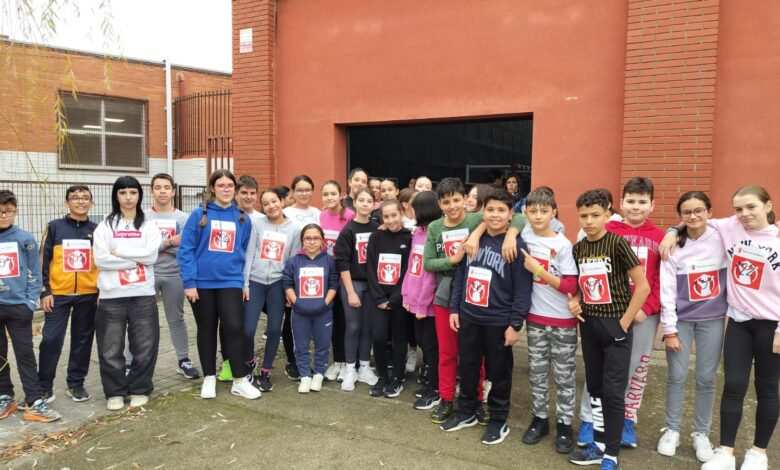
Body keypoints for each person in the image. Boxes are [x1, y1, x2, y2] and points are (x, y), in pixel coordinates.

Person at [660, 185, 780, 470]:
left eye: (751, 207)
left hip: (771, 326)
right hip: (739, 322)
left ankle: (757, 453)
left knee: (767, 389)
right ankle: (725, 451)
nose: (744, 214)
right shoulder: (730, 227)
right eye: (739, 209)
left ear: (768, 205)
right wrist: (671, 230)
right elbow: (692, 219)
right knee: (734, 385)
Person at [424, 177, 524, 425]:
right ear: (439, 204)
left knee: (476, 356)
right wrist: (454, 259)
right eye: (446, 202)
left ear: (467, 201)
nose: (452, 206)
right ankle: (448, 399)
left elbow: (517, 217)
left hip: (481, 300)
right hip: (449, 295)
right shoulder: (435, 227)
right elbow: (428, 262)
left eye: (457, 200)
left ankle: (477, 402)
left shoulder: (476, 219)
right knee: (450, 353)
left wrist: (510, 234)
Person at [577, 177, 664, 449]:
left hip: (642, 315)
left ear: (652, 205)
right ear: (620, 203)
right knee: (596, 369)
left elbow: (661, 279)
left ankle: (625, 419)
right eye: (631, 201)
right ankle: (590, 420)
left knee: (634, 369)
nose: (636, 207)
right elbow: (583, 271)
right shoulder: (603, 229)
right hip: (604, 313)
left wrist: (645, 308)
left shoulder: (660, 237)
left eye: (642, 202)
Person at [441, 190, 532, 445]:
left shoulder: (515, 245)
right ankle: (466, 411)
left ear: (510, 214)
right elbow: (461, 276)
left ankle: (497, 419)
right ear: (483, 212)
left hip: (498, 321)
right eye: (490, 209)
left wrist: (516, 323)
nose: (495, 215)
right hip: (469, 316)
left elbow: (523, 289)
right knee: (467, 366)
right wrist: (455, 308)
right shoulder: (473, 240)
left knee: (499, 372)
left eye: (501, 210)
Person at [567, 189, 649, 470]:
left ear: (607, 215)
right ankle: (599, 443)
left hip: (616, 326)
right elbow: (578, 286)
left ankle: (612, 454)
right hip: (589, 326)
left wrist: (624, 322)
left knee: (614, 392)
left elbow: (643, 286)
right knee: (596, 388)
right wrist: (576, 301)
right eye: (584, 216)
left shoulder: (617, 244)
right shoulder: (578, 249)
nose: (589, 221)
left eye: (595, 215)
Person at [178, 169, 261, 400]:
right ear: (212, 188)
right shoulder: (198, 215)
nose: (226, 189)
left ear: (234, 189)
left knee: (234, 327)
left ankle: (239, 379)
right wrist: (189, 282)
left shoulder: (243, 218)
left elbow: (245, 253)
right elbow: (186, 250)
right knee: (206, 329)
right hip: (202, 283)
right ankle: (209, 377)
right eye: (221, 185)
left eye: (230, 185)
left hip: (231, 281)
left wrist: (244, 283)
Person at [655, 192, 725, 462]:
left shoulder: (721, 234)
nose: (693, 216)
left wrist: (673, 229)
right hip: (681, 321)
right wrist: (669, 329)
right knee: (677, 376)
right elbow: (668, 290)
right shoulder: (673, 247)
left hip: (712, 319)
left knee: (706, 378)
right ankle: (672, 429)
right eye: (687, 212)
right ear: (680, 215)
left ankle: (701, 433)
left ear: (709, 211)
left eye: (699, 210)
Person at [93, 176, 162, 411]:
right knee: (110, 347)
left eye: (133, 192)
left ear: (139, 195)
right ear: (116, 196)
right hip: (112, 295)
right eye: (123, 193)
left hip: (142, 293)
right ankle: (115, 391)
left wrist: (120, 251)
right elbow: (101, 259)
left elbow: (152, 256)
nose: (128, 197)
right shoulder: (105, 225)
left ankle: (140, 388)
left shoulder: (149, 225)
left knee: (144, 344)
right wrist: (135, 259)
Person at [518, 189, 579, 454]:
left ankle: (565, 425)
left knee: (564, 377)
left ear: (554, 212)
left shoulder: (563, 245)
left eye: (544, 211)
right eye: (533, 211)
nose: (538, 215)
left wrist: (539, 270)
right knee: (538, 373)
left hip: (562, 319)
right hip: (535, 318)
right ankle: (540, 419)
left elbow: (570, 284)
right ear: (526, 213)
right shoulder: (524, 235)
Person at [0, 190, 61, 422]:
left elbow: (35, 273)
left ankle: (34, 401)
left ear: (15, 211)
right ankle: (4, 396)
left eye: (8, 211)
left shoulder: (24, 238)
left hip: (18, 307)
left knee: (25, 353)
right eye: (0, 211)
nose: (4, 215)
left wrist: (28, 302)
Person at [38, 185, 99, 403]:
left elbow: (101, 262)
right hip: (58, 295)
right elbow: (42, 261)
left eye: (85, 198)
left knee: (82, 340)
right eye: (75, 198)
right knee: (51, 339)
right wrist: (45, 290)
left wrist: (100, 289)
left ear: (91, 203)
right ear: (67, 203)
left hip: (89, 294)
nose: (80, 201)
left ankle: (76, 383)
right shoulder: (54, 227)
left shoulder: (97, 229)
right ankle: (44, 386)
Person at [243, 188, 302, 392]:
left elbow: (293, 260)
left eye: (274, 201)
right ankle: (250, 361)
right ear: (263, 207)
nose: (271, 206)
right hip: (256, 281)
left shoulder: (294, 228)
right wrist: (245, 283)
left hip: (277, 284)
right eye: (266, 203)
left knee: (276, 329)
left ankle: (266, 372)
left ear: (282, 202)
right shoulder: (257, 223)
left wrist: (289, 288)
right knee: (248, 328)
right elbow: (250, 252)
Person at [147, 173, 200, 380]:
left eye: (166, 187)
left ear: (173, 191)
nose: (162, 191)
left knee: (176, 318)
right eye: (158, 187)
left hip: (175, 275)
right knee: (142, 320)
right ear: (152, 191)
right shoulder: (144, 217)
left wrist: (158, 247)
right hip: (148, 274)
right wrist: (168, 243)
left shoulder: (183, 218)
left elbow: (187, 249)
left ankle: (183, 360)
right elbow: (144, 250)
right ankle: (133, 360)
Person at [333, 189, 380, 391]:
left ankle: (365, 366)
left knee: (368, 327)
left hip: (372, 285)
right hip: (353, 283)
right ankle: (350, 368)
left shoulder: (378, 228)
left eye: (369, 200)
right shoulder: (348, 230)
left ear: (374, 204)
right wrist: (350, 291)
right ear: (355, 203)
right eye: (361, 200)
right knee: (353, 326)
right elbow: (342, 263)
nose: (365, 204)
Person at [283, 224, 339, 393]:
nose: (312, 242)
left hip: (323, 312)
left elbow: (334, 284)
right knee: (301, 346)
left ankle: (319, 374)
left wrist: (324, 304)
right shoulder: (294, 261)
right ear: (302, 241)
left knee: (322, 345)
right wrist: (296, 303)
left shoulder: (329, 261)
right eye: (308, 238)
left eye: (316, 238)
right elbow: (287, 283)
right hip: (300, 312)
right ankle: (305, 376)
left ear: (322, 240)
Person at [366, 200, 412, 398]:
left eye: (394, 215)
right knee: (378, 337)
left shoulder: (409, 238)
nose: (391, 220)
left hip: (399, 299)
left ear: (401, 213)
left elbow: (409, 271)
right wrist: (379, 298)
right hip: (378, 299)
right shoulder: (376, 237)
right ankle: (383, 376)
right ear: (381, 218)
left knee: (399, 339)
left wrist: (394, 299)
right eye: (387, 216)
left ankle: (397, 378)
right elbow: (370, 267)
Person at [402, 191, 442, 410]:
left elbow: (430, 276)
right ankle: (430, 382)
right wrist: (408, 295)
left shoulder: (434, 234)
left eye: (414, 208)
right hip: (415, 301)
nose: (411, 211)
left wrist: (423, 303)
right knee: (422, 344)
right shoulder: (418, 233)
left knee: (431, 346)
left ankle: (435, 389)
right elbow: (412, 268)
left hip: (428, 305)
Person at [319, 180, 355, 382]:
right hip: (326, 275)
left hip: (345, 274)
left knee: (345, 319)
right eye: (325, 194)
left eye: (333, 193)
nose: (329, 198)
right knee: (331, 319)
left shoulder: (349, 216)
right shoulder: (321, 215)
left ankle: (349, 362)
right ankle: (338, 360)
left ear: (341, 195)